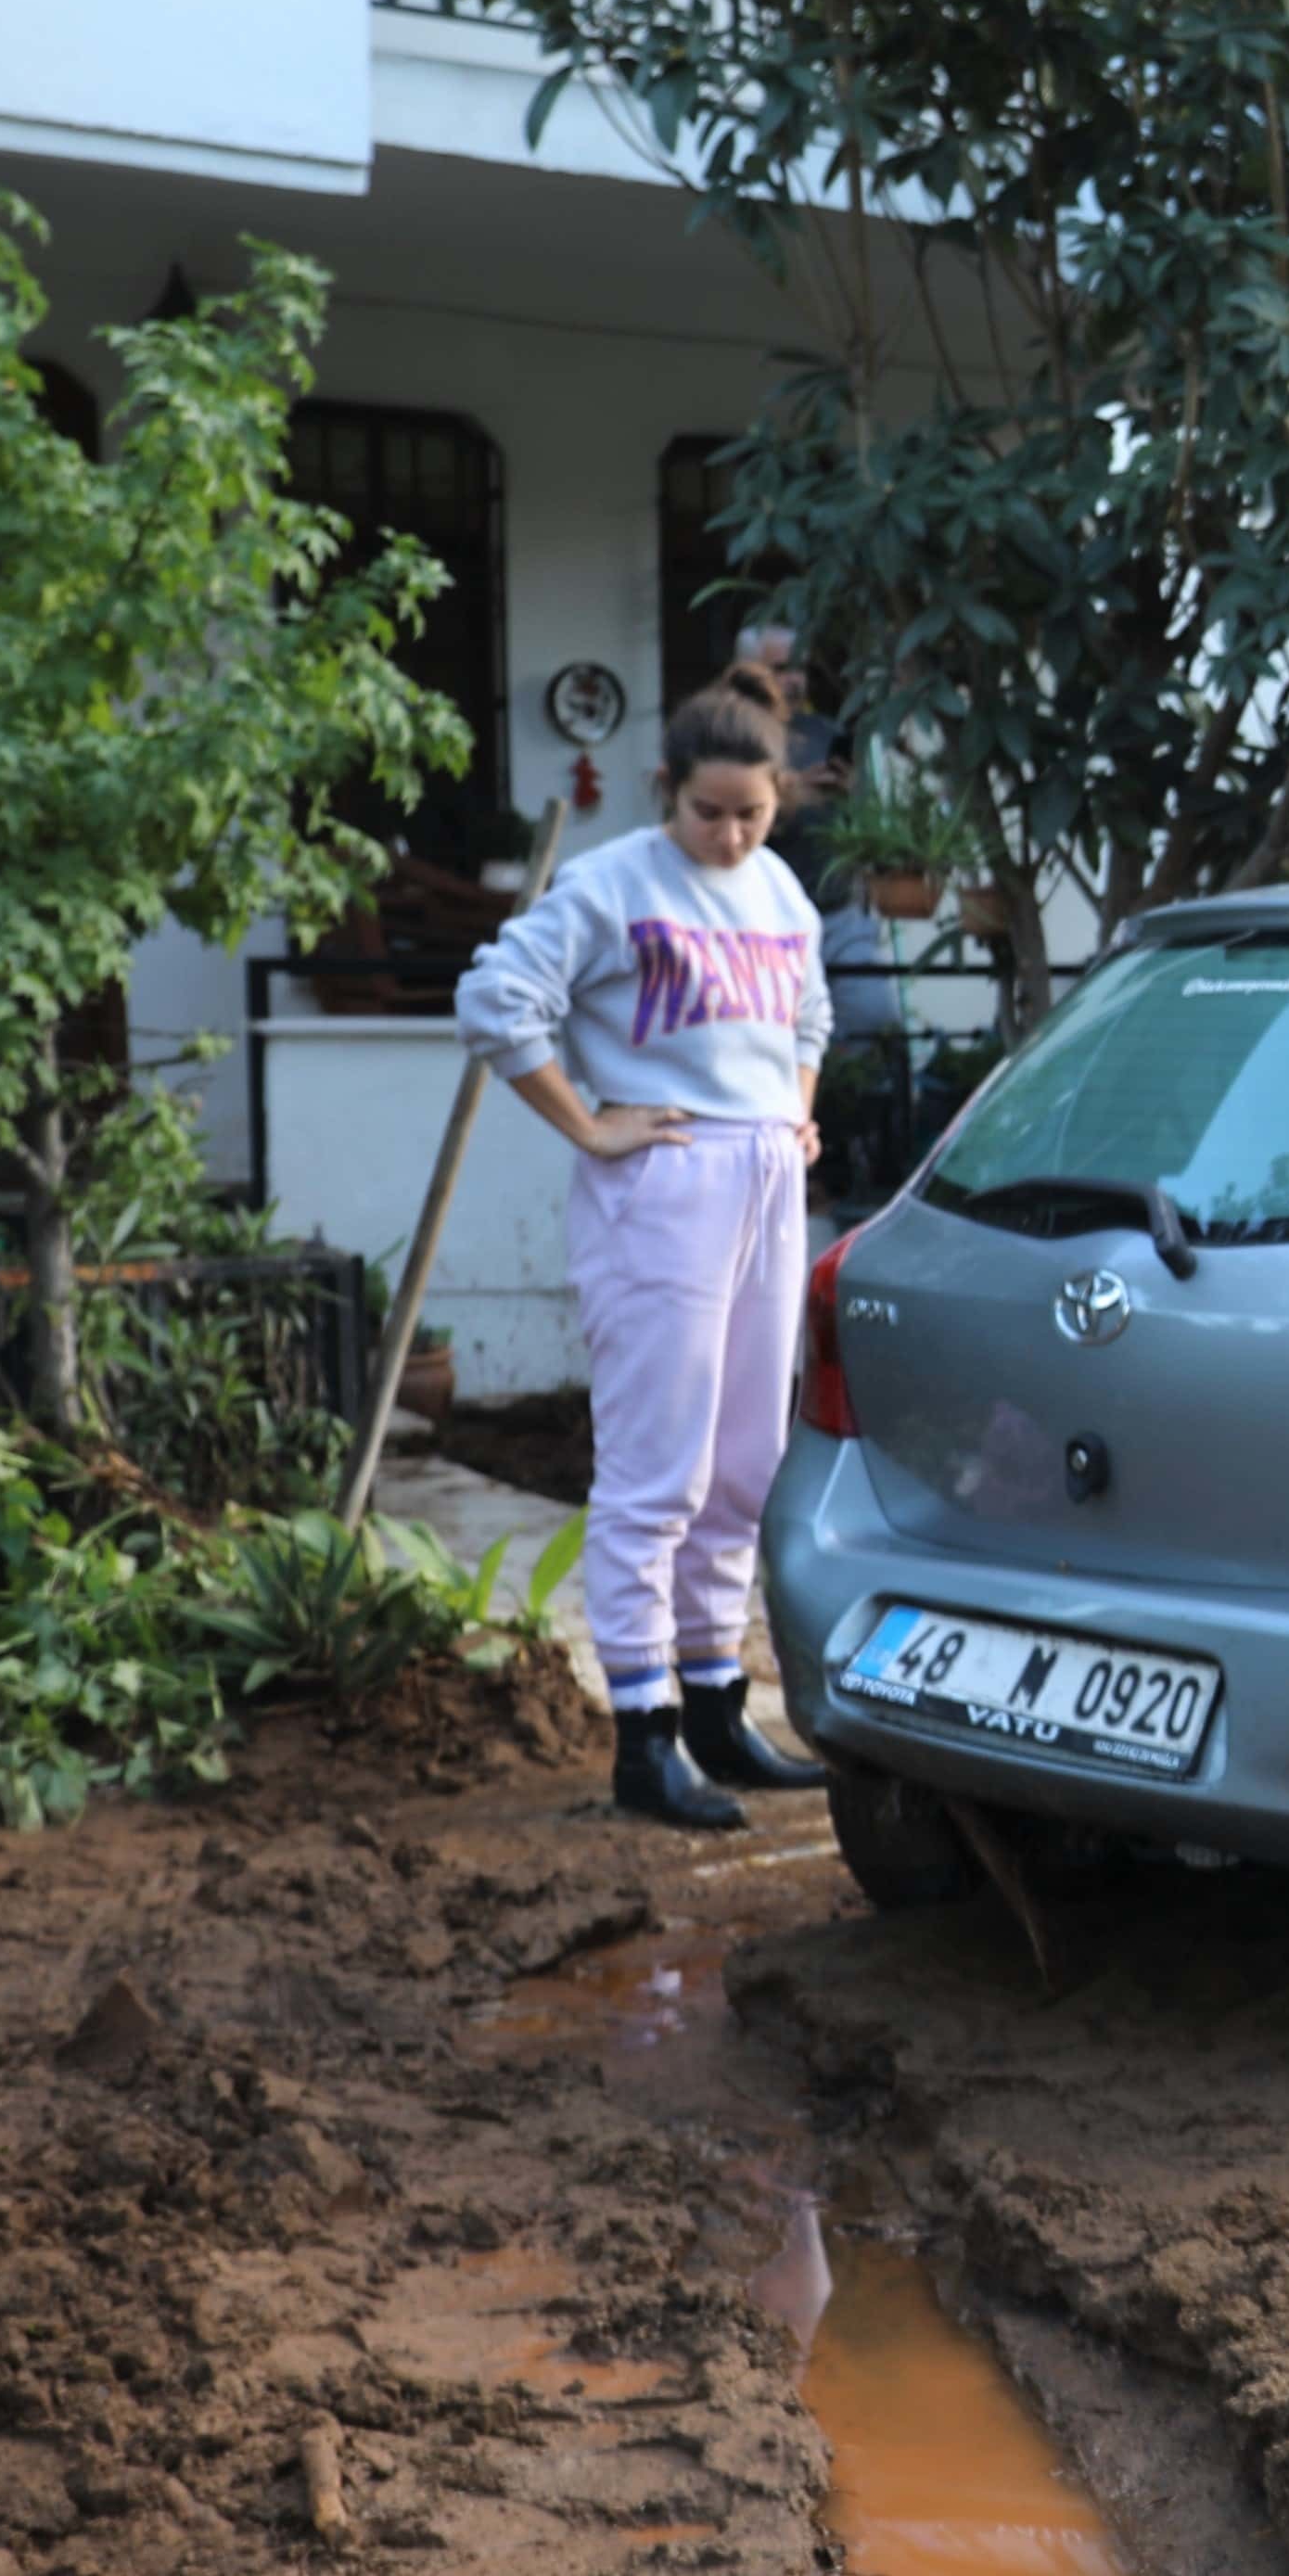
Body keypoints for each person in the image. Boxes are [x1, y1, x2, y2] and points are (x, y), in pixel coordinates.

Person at [458, 679, 836, 1830]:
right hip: (664, 1183)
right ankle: (645, 1732)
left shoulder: (778, 888)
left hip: (768, 1179)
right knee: (655, 1467)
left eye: (752, 815)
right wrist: (586, 1122)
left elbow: (810, 1015)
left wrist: (795, 1107)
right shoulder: (615, 881)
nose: (730, 836)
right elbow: (496, 998)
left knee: (744, 1463)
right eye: (710, 812)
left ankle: (721, 1707)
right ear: (669, 792)